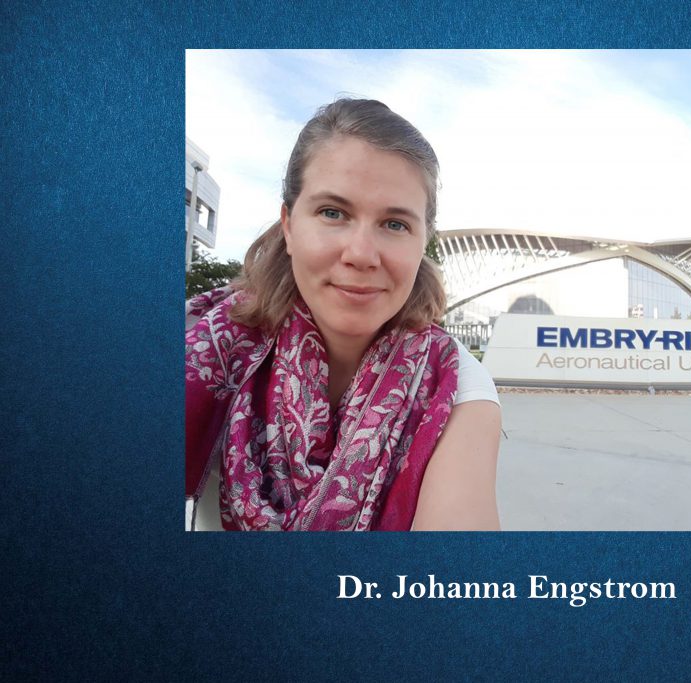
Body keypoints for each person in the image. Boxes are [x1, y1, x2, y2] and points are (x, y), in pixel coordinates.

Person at [185, 98, 501, 531]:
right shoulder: (200, 349)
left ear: (422, 241)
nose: (361, 255)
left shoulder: (457, 385)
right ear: (290, 225)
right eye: (332, 213)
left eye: (395, 224)